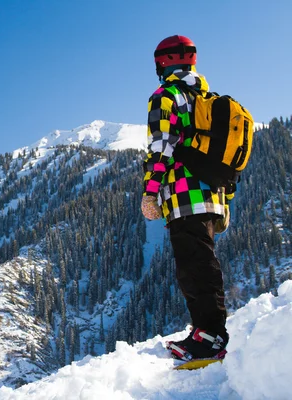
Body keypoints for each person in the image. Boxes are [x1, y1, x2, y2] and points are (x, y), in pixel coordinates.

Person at [141, 35, 231, 361]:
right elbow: (228, 154)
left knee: (194, 266)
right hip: (213, 194)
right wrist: (227, 198)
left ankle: (210, 337)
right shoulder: (208, 99)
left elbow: (161, 147)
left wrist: (150, 193)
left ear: (162, 63)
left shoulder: (167, 96)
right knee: (202, 263)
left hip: (183, 195)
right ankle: (206, 331)